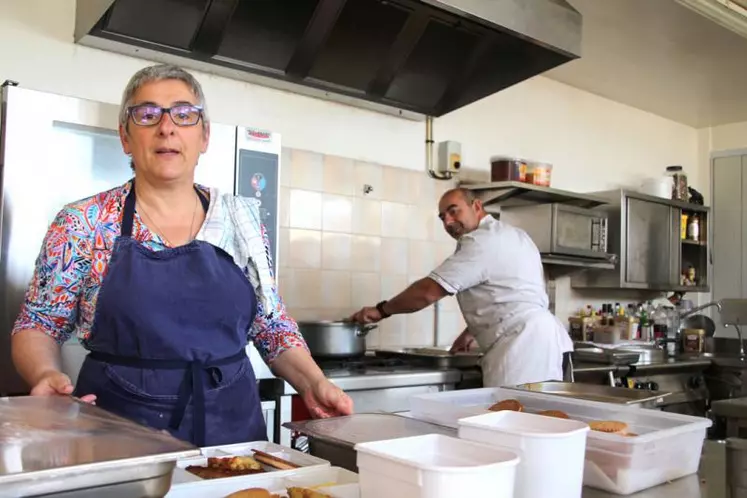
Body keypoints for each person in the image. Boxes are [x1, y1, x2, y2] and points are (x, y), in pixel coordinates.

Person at [10, 63, 352, 447]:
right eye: (147, 114)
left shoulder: (241, 220)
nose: (167, 127)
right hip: (117, 431)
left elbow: (271, 325)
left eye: (184, 115)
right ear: (125, 136)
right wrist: (43, 374)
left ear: (204, 136)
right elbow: (38, 324)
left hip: (232, 429)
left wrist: (313, 381)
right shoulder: (84, 222)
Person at [349, 187, 573, 387]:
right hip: (547, 340)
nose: (447, 222)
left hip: (522, 346)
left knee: (515, 421)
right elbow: (508, 293)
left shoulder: (481, 242)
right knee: (539, 419)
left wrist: (381, 310)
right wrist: (470, 333)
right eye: (442, 217)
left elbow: (428, 292)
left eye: (454, 211)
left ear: (476, 206)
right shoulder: (514, 235)